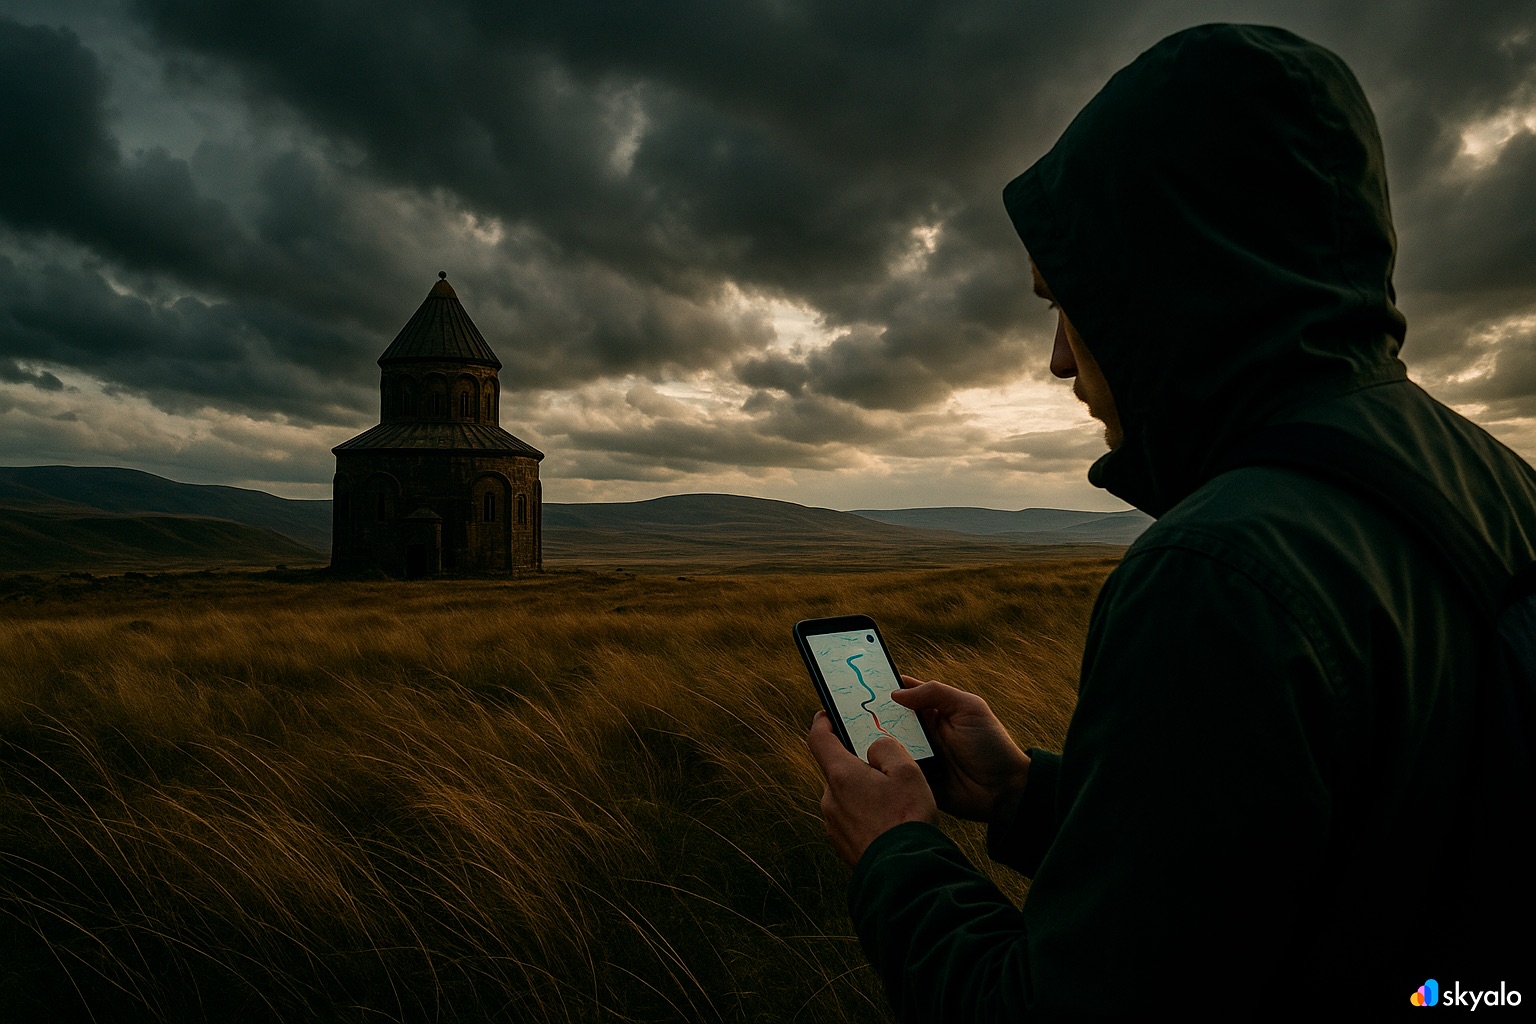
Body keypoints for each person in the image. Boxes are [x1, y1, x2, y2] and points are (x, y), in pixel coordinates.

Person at [807, 23, 1536, 1019]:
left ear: (1170, 286)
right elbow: (1324, 860)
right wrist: (1027, 795)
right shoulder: (1494, 480)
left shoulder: (1216, 573)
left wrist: (895, 857)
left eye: (1068, 303)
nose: (1062, 361)